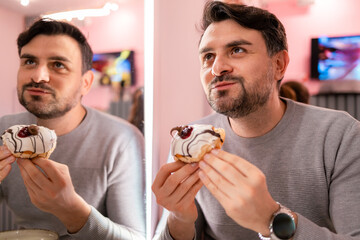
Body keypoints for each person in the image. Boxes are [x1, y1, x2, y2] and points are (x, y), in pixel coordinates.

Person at [152, 2, 360, 240]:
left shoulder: (341, 137)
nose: (217, 68)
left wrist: (271, 218)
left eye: (237, 50)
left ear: (279, 65)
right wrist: (179, 217)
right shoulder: (192, 142)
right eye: (208, 56)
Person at [0, 19, 145, 239]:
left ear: (85, 83)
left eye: (58, 65)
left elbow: (137, 237)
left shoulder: (122, 140)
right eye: (29, 61)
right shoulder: (5, 130)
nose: (38, 76)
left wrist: (71, 211)